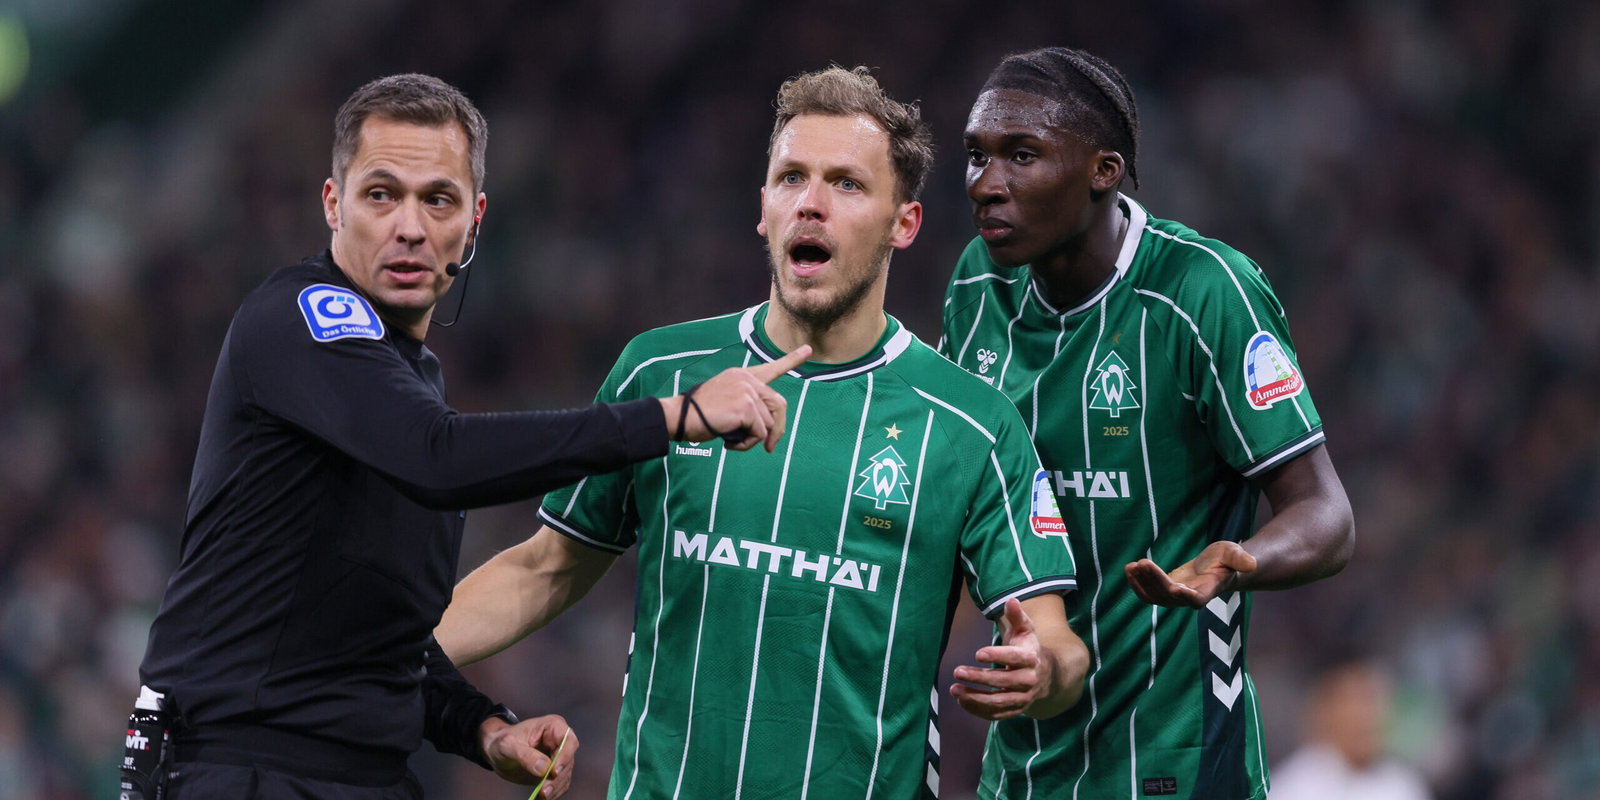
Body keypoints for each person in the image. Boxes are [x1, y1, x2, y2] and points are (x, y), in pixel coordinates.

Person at [129, 73, 806, 800]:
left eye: (438, 199)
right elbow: (438, 457)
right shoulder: (299, 319)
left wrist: (483, 728)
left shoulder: (408, 380)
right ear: (333, 204)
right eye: (381, 194)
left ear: (475, 221)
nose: (410, 227)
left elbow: (379, 636)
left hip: (359, 776)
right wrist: (675, 417)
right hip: (235, 770)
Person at [436, 65, 1089, 799]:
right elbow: (545, 569)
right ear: (763, 208)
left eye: (846, 184)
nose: (811, 204)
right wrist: (368, 657)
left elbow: (1056, 643)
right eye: (791, 178)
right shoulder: (660, 370)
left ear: (903, 223)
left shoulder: (971, 423)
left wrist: (1045, 670)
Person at [938, 47, 1356, 799]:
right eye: (976, 156)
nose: (987, 185)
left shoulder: (1201, 292)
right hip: (1024, 768)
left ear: (1103, 171)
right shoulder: (977, 286)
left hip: (1178, 760)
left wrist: (1236, 561)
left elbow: (1327, 517)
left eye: (1021, 156)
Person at [1268, 659, 1433, 800]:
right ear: (1325, 709)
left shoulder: (1403, 784)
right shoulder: (1293, 788)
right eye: (1356, 701)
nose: (1367, 715)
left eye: (1372, 699)